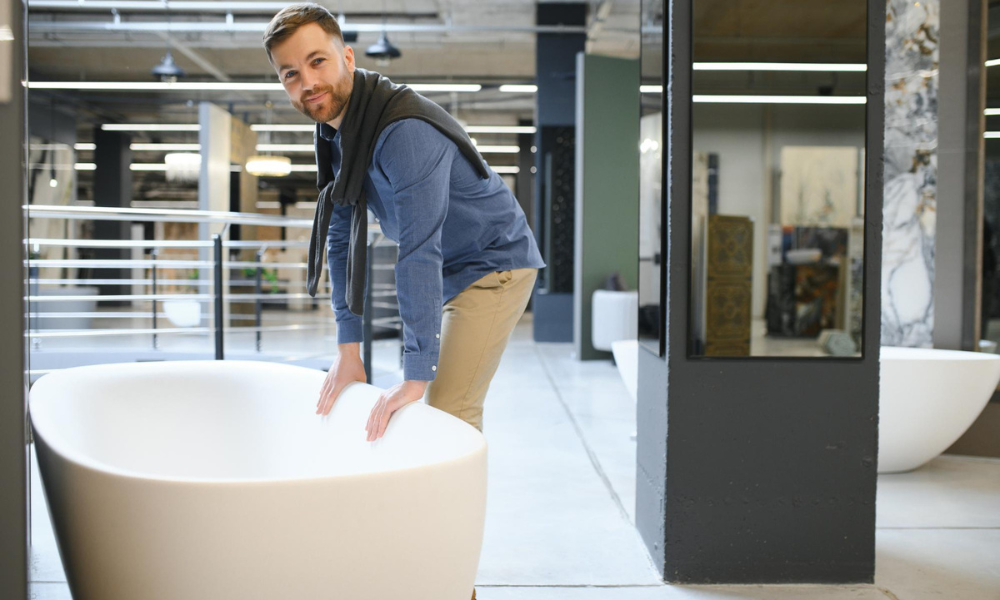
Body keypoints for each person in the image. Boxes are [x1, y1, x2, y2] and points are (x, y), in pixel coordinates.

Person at [264, 4, 544, 449]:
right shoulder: (336, 136)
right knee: (422, 411)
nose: (308, 83)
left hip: (491, 265)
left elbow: (419, 249)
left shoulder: (403, 131)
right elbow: (339, 237)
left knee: (446, 412)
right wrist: (348, 349)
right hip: (448, 263)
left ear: (348, 58)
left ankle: (452, 519)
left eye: (317, 61)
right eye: (290, 74)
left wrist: (415, 377)